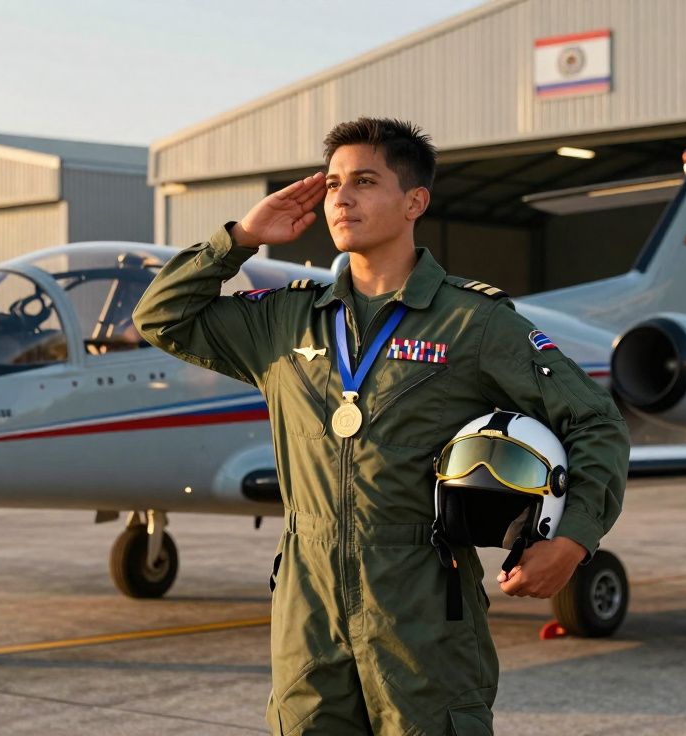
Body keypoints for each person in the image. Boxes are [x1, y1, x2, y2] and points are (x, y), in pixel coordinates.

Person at [133, 117, 629, 735]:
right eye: (334, 182)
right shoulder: (284, 322)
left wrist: (573, 538)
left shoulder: (473, 324)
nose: (341, 198)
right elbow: (161, 317)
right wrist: (239, 238)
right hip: (307, 600)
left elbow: (595, 421)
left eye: (364, 181)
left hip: (422, 599)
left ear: (414, 201)